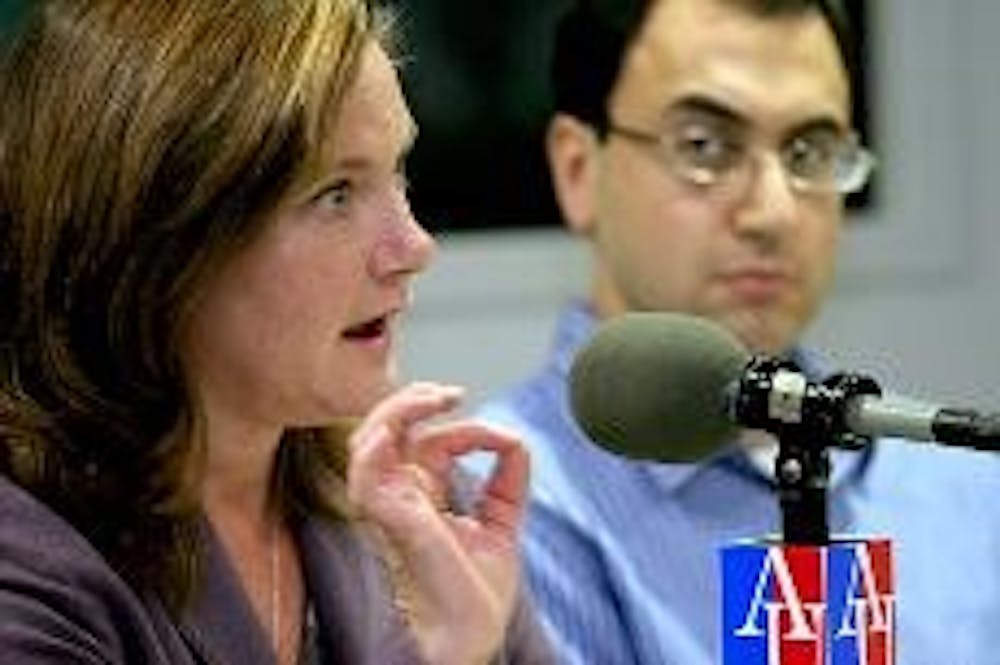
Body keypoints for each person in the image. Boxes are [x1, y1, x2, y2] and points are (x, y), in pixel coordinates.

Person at [0, 1, 555, 663]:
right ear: (158, 243)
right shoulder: (27, 567)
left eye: (397, 171)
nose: (412, 246)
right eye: (337, 194)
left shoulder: (421, 511)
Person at [476, 0, 1000, 663]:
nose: (773, 212)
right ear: (579, 168)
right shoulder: (484, 506)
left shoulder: (961, 480)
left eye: (811, 151)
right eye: (704, 147)